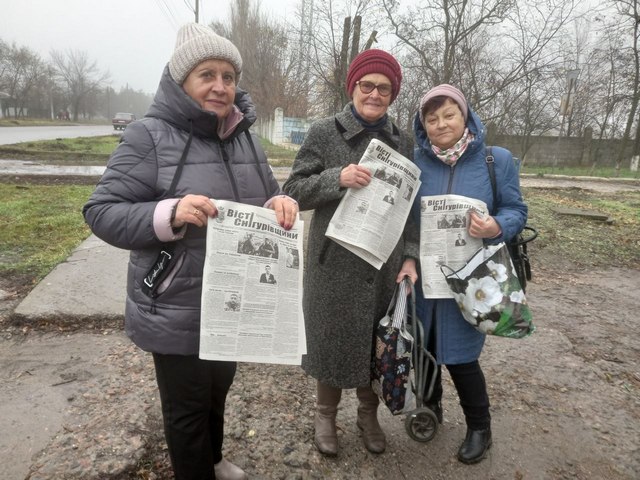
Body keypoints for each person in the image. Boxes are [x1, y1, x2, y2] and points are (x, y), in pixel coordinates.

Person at [83, 23, 298, 480]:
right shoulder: (149, 136)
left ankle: (213, 460)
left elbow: (267, 195)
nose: (220, 87)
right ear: (183, 81)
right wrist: (170, 213)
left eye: (228, 75)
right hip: (176, 302)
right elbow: (101, 211)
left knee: (218, 390)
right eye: (207, 75)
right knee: (186, 410)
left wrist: (280, 203)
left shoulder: (245, 138)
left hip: (232, 300)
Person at [283, 49, 419, 457]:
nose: (375, 94)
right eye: (367, 85)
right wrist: (336, 178)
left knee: (374, 340)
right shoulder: (325, 132)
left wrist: (410, 255)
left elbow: (412, 206)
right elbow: (293, 190)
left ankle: (367, 414)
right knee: (330, 340)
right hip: (333, 263)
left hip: (383, 264)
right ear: (353, 87)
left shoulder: (404, 141)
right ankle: (325, 414)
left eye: (384, 88)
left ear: (393, 94)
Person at [411, 84, 527, 464]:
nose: (441, 124)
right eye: (432, 118)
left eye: (449, 115)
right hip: (427, 279)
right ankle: (431, 411)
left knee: (462, 359)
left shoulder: (497, 160)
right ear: (422, 124)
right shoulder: (415, 161)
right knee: (423, 350)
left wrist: (496, 226)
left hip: (472, 280)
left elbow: (516, 211)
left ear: (466, 117)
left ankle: (480, 427)